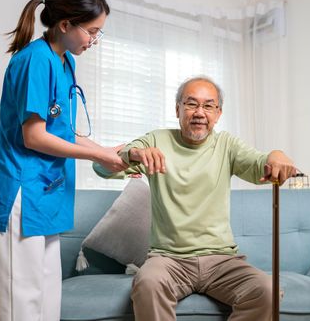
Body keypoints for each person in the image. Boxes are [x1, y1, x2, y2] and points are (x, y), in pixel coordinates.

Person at [0, 0, 128, 321]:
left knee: (47, 301)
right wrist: (98, 156)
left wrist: (107, 151)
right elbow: (34, 137)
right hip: (19, 193)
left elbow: (64, 132)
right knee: (22, 304)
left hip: (45, 195)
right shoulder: (35, 61)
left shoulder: (64, 62)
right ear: (65, 25)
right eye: (91, 31)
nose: (93, 40)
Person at [94, 76, 296, 320]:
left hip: (222, 261)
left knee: (267, 290)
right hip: (168, 260)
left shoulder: (227, 145)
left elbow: (259, 164)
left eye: (208, 106)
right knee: (148, 283)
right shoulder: (156, 140)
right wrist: (135, 153)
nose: (200, 112)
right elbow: (102, 168)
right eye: (191, 104)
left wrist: (276, 154)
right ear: (177, 109)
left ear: (218, 113)